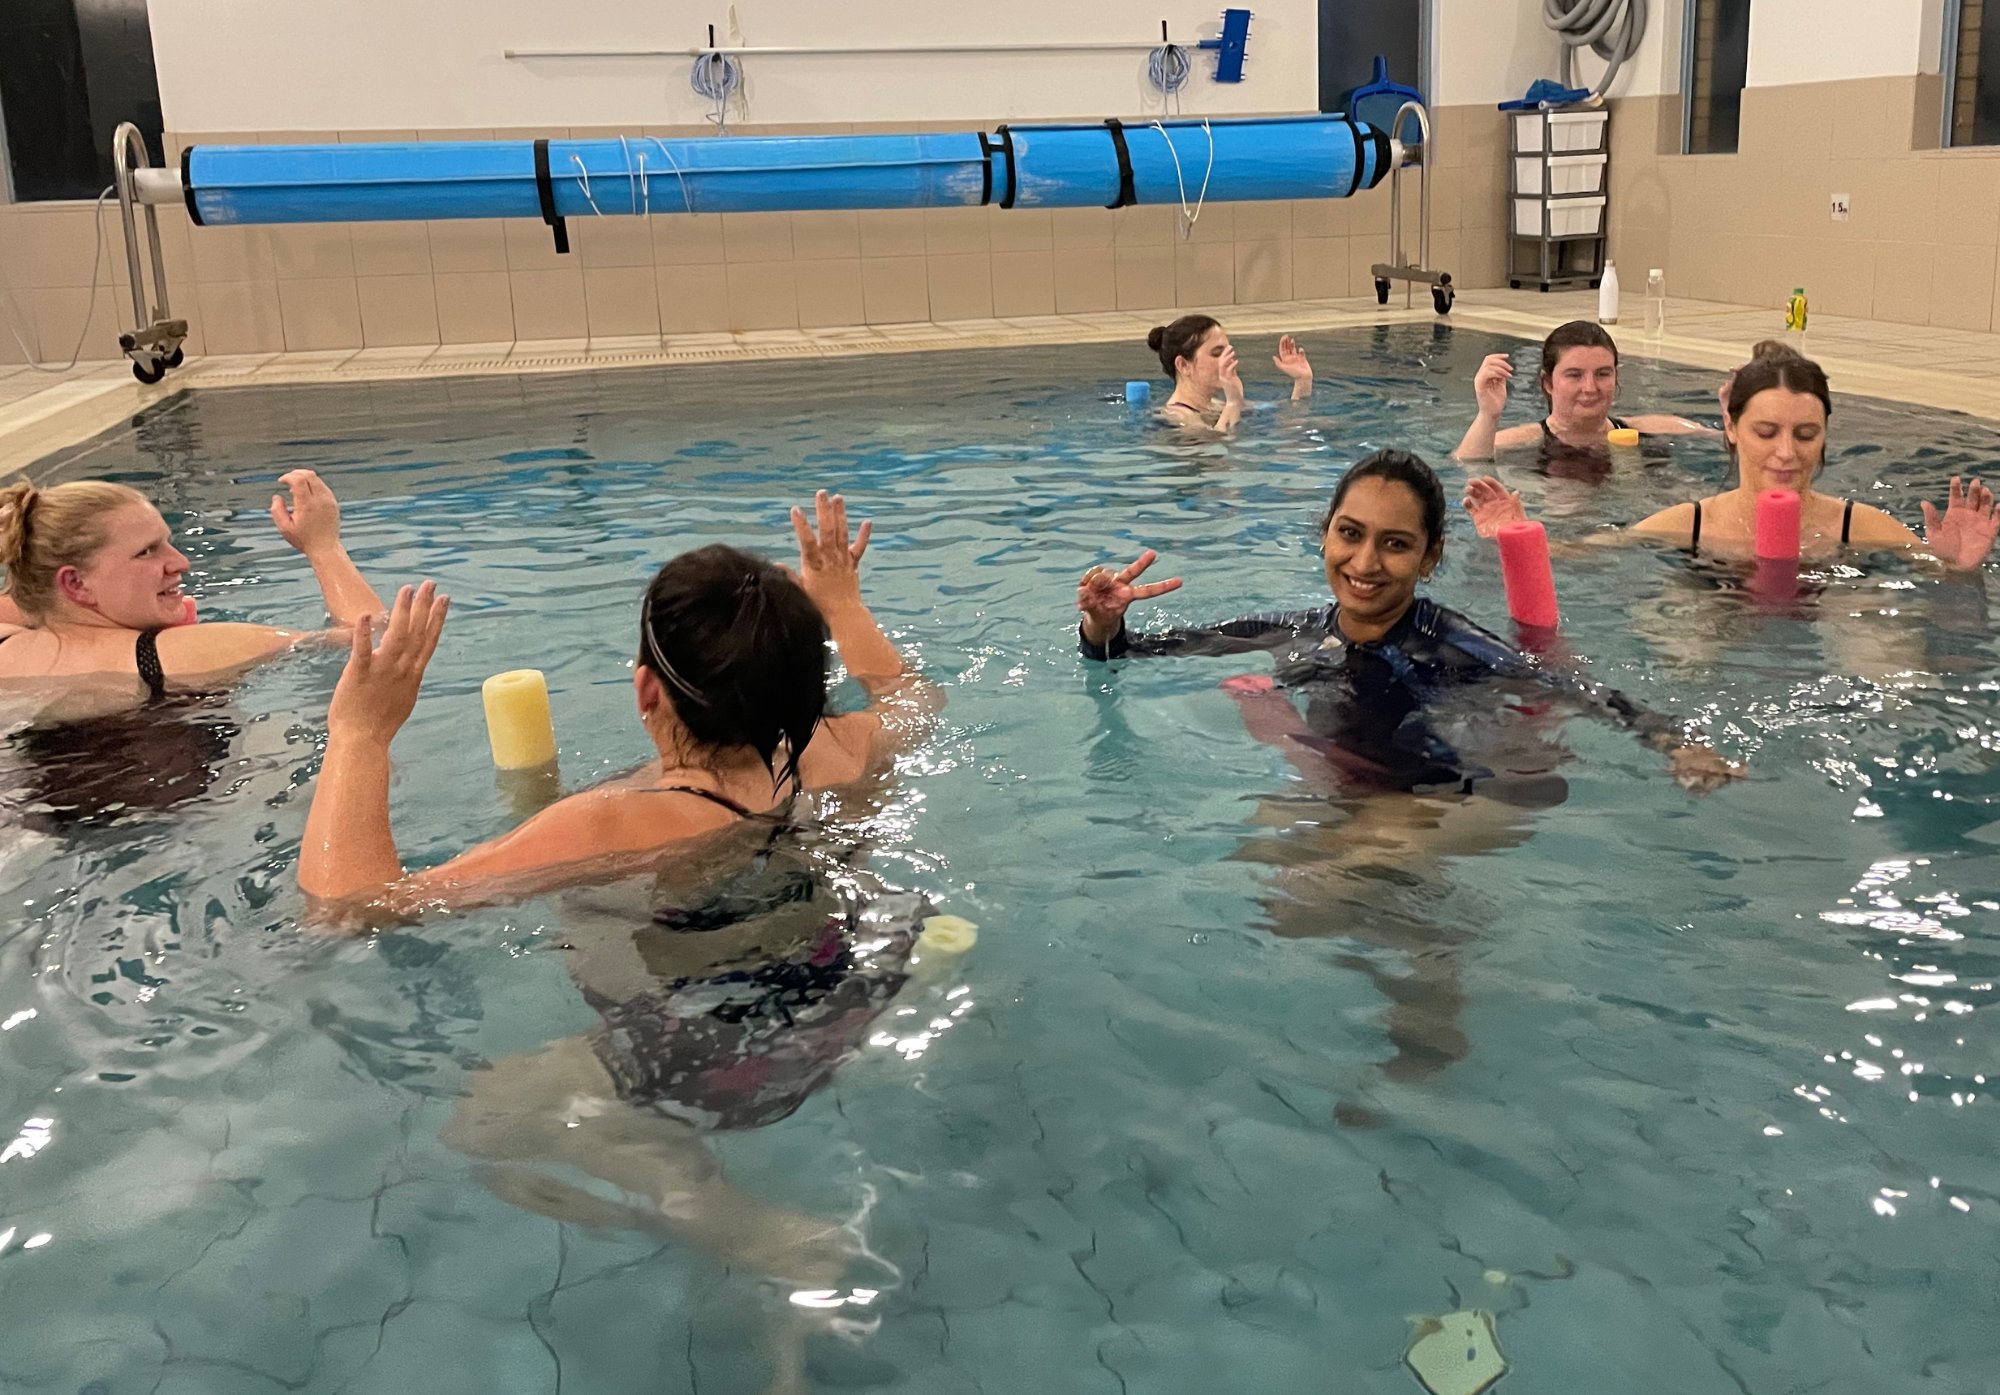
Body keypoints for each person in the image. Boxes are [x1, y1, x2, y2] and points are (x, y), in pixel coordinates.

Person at [295, 493, 939, 1324]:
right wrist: (845, 603)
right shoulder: (846, 746)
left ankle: (729, 1219)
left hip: (715, 1064)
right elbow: (916, 696)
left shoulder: (614, 824)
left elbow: (349, 909)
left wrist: (359, 734)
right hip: (846, 1005)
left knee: (485, 1118)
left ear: (646, 691)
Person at [1074, 449, 1741, 1085]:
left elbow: (1575, 689)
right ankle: (1433, 983)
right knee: (1272, 864)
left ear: (1430, 556)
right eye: (1350, 533)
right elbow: (1134, 653)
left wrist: (1674, 741)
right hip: (1369, 797)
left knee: (1302, 896)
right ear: (1325, 535)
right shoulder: (1292, 630)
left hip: (1481, 794)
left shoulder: (1452, 642)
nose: (1365, 561)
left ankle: (1444, 937)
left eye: (1394, 543)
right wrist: (1103, 626)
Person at [1463, 343, 1999, 570]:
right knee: (1686, 655)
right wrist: (1513, 539)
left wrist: (1957, 568)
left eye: (1806, 433)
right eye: (1766, 431)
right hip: (1711, 591)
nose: (1787, 453)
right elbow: (1583, 553)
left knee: (1877, 643)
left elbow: (1937, 581)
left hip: (1830, 599)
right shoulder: (1692, 523)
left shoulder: (1860, 525)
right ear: (1733, 428)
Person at [0, 471, 383, 720]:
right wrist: (323, 547)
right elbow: (378, 640)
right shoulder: (181, 653)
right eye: (147, 551)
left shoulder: (9, 643)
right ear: (76, 585)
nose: (180, 562)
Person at [1452, 319, 1718, 462]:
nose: (1590, 388)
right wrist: (1488, 415)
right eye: (1574, 375)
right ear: (1547, 382)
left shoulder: (1655, 428)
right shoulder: (1522, 442)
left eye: (1603, 374)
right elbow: (1467, 464)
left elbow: (1729, 439)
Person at [1147, 314, 1314, 434]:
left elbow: (1290, 417)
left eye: (1228, 351)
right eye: (1217, 353)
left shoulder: (1216, 405)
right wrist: (1233, 403)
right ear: (1183, 365)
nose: (1228, 359)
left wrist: (1302, 381)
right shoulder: (1177, 419)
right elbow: (1219, 457)